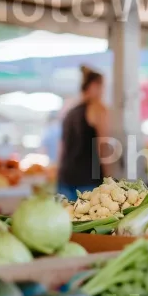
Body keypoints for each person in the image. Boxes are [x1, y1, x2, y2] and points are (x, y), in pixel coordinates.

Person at [58, 66, 110, 201]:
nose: (102, 92)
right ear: (94, 86)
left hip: (65, 177)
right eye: (102, 87)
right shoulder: (97, 108)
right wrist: (109, 178)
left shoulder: (70, 112)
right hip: (87, 181)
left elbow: (62, 148)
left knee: (65, 220)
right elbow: (102, 146)